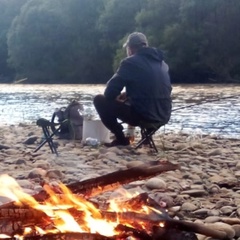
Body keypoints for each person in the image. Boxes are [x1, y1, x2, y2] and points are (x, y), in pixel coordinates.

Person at [93, 32, 172, 147]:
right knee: (145, 104)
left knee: (99, 100)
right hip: (164, 116)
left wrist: (118, 97)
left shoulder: (129, 62)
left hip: (143, 116)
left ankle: (121, 139)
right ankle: (146, 138)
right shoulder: (163, 64)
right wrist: (129, 94)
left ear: (130, 49)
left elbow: (109, 92)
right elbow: (159, 89)